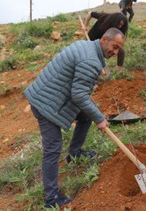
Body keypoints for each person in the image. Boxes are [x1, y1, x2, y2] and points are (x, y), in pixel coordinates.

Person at [24, 28, 125, 208]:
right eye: (114, 47)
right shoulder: (91, 60)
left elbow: (78, 88)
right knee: (52, 149)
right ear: (104, 40)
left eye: (119, 50)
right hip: (47, 104)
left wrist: (92, 111)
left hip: (47, 94)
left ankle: (75, 153)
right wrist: (100, 118)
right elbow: (78, 96)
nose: (115, 52)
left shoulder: (86, 46)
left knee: (85, 116)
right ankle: (51, 198)